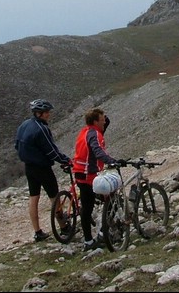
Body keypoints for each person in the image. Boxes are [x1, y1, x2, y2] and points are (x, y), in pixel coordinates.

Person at [15, 99, 72, 242]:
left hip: (29, 167)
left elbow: (17, 145)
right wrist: (64, 160)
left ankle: (37, 231)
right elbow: (51, 150)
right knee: (54, 197)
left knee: (33, 197)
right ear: (39, 113)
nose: (49, 115)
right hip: (42, 167)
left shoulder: (24, 125)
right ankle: (64, 227)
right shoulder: (42, 128)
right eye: (46, 112)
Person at [72, 107, 124, 251]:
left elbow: (104, 124)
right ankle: (103, 233)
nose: (104, 123)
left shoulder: (85, 131)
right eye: (101, 120)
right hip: (90, 174)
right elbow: (97, 151)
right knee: (112, 199)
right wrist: (111, 161)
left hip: (79, 172)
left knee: (86, 207)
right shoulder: (94, 134)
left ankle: (88, 241)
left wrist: (103, 118)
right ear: (95, 121)